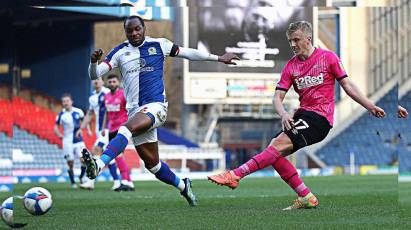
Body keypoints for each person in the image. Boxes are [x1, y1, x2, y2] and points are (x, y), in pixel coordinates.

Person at [208, 21, 386, 210]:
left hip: (320, 119)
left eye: (296, 40)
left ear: (308, 39)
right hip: (302, 116)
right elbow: (277, 97)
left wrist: (370, 106)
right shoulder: (291, 67)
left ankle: (235, 175)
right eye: (290, 41)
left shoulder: (329, 58)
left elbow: (348, 86)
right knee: (273, 153)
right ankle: (306, 196)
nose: (292, 44)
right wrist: (283, 113)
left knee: (275, 147)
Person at [82, 15, 239, 206]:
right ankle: (184, 186)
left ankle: (98, 165)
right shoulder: (120, 52)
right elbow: (94, 75)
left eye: (137, 29)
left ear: (144, 28)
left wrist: (219, 58)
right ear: (126, 32)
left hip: (157, 107)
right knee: (153, 165)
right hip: (136, 113)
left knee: (125, 129)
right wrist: (93, 63)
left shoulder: (159, 45)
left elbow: (188, 53)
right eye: (130, 31)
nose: (134, 33)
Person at [82, 74, 135, 192]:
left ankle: (125, 181)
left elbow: (131, 109)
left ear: (118, 82)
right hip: (110, 130)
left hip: (121, 129)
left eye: (114, 81)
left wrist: (130, 126)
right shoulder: (106, 97)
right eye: (110, 82)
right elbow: (105, 113)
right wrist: (104, 128)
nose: (111, 84)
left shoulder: (123, 95)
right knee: (117, 156)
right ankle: (127, 182)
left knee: (118, 155)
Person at [79, 78, 122, 191]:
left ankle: (90, 182)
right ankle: (117, 182)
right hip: (100, 130)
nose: (96, 82)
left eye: (98, 79)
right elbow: (89, 114)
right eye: (94, 80)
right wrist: (81, 128)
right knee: (109, 157)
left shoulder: (108, 93)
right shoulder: (92, 98)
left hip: (108, 129)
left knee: (96, 150)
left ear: (102, 82)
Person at [53, 93, 86, 189]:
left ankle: (81, 177)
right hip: (67, 141)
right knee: (70, 162)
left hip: (79, 140)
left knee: (83, 159)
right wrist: (59, 135)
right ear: (62, 103)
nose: (66, 103)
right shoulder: (61, 115)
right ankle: (72, 182)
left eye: (67, 101)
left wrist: (86, 129)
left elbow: (84, 121)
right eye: (64, 101)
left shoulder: (79, 112)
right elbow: (55, 127)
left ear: (71, 101)